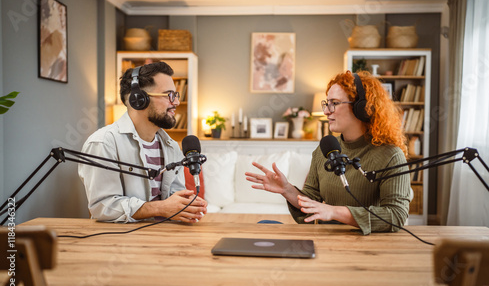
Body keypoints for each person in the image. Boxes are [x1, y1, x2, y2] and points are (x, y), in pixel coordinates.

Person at [246, 70, 412, 235]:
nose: (326, 111)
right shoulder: (326, 149)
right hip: (329, 240)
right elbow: (311, 201)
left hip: (370, 247)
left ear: (362, 107)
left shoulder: (390, 156)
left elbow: (395, 216)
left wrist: (334, 212)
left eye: (335, 103)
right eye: (326, 103)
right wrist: (287, 190)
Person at [79, 61, 207, 224]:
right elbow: (103, 207)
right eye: (169, 95)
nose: (176, 103)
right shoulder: (103, 143)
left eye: (176, 95)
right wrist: (160, 208)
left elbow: (174, 197)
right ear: (139, 99)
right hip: (121, 242)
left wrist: (187, 206)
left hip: (165, 236)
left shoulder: (172, 146)